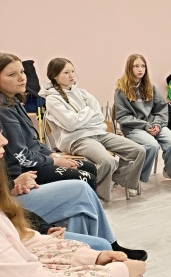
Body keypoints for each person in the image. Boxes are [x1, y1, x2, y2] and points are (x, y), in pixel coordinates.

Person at [0, 130, 160, 277]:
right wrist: (114, 273)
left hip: (90, 135)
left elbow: (22, 240)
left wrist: (91, 258)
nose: (4, 139)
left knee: (111, 259)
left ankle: (110, 244)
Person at [40, 58, 146, 201]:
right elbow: (71, 124)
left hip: (99, 133)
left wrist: (81, 117)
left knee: (139, 151)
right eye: (66, 72)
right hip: (77, 139)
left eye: (73, 71)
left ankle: (117, 178)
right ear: (55, 76)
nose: (72, 75)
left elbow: (99, 117)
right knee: (108, 161)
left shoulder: (83, 93)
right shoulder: (52, 99)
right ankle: (97, 193)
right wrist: (88, 111)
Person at [0, 53, 98, 190]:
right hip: (22, 171)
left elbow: (33, 142)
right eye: (12, 74)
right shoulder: (3, 110)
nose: (22, 78)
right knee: (86, 177)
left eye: (22, 71)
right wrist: (53, 161)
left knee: (89, 167)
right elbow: (21, 156)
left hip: (35, 161)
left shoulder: (14, 101)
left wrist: (52, 154)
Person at [115, 54, 171, 185]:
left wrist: (157, 124)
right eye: (136, 66)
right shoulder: (121, 90)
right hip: (133, 127)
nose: (140, 69)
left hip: (153, 124)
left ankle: (170, 171)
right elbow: (122, 116)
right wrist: (145, 125)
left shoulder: (149, 86)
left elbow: (161, 108)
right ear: (129, 68)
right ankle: (136, 179)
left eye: (143, 66)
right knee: (151, 145)